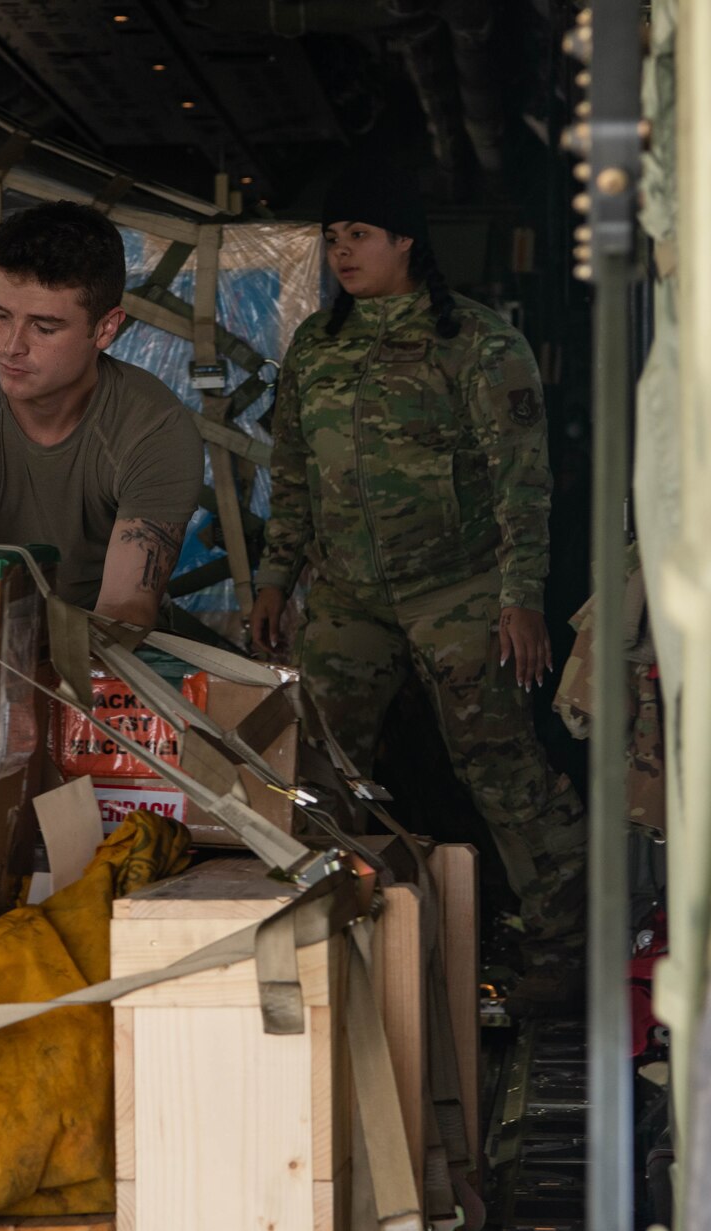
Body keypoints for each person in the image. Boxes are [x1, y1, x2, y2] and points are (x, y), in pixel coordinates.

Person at [248, 158, 588, 1013]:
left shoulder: (476, 343)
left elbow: (523, 478)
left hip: (459, 590)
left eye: (358, 234)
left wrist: (521, 595)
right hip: (350, 597)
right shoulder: (317, 348)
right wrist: (273, 581)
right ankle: (315, 930)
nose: (340, 253)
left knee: (499, 761)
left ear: (405, 239)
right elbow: (292, 476)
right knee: (316, 766)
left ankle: (569, 940)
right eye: (331, 238)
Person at [0, 201, 202, 626]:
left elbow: (125, 611)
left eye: (44, 327)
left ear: (106, 329)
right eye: (1, 315)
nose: (11, 346)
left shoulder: (154, 429)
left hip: (99, 649)